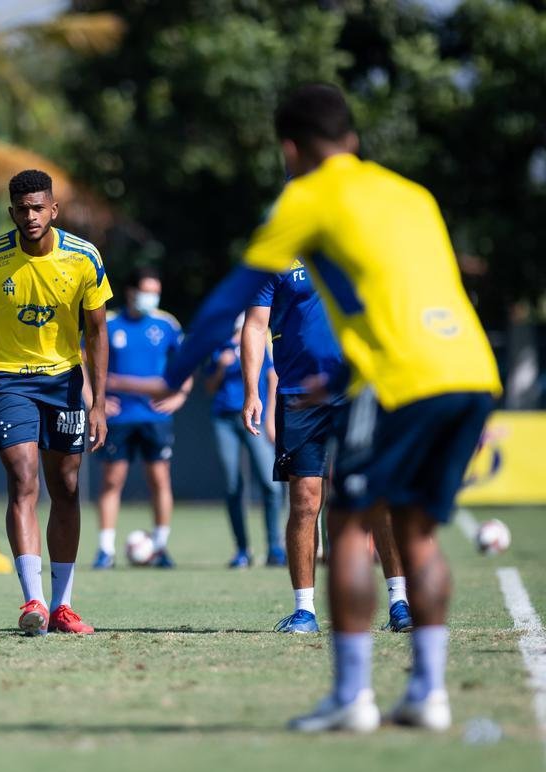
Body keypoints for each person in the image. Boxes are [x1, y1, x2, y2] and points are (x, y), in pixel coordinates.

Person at [150, 83, 501, 733]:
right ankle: (428, 692)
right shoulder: (412, 195)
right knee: (416, 529)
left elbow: (232, 300)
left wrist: (175, 374)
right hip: (472, 371)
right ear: (354, 139)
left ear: (289, 148)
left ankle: (351, 696)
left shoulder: (303, 196)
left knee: (345, 525)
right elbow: (402, 298)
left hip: (397, 380)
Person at [0, 169, 111, 636]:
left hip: (63, 381)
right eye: (22, 209)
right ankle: (34, 602)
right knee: (23, 478)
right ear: (11, 212)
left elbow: (98, 330)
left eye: (38, 207)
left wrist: (99, 403)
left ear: (53, 209)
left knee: (65, 487)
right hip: (6, 381)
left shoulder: (84, 258)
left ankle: (63, 606)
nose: (30, 216)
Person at [241, 264, 413, 634]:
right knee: (305, 501)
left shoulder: (354, 249)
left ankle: (399, 603)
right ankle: (305, 611)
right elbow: (255, 326)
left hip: (359, 392)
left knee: (376, 497)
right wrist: (252, 391)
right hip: (299, 397)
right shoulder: (277, 259)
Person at [90, 268, 189, 569]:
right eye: (147, 290)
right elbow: (83, 363)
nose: (151, 297)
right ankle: (105, 550)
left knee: (159, 479)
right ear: (131, 292)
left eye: (155, 291)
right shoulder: (108, 323)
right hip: (118, 418)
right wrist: (96, 401)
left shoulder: (167, 323)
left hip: (154, 417)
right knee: (112, 481)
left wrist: (180, 396)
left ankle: (159, 547)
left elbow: (186, 363)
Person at [203, 315, 282, 568]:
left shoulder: (260, 346)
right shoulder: (220, 348)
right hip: (225, 419)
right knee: (233, 484)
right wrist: (220, 367)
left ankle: (275, 547)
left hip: (256, 417)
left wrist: (270, 418)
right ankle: (242, 550)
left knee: (271, 484)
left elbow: (272, 379)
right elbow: (209, 387)